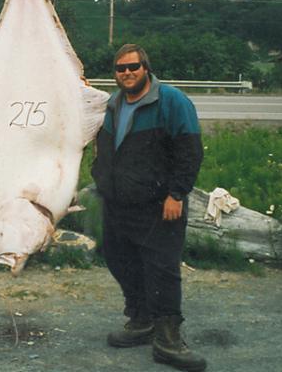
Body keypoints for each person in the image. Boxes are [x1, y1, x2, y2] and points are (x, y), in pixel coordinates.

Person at [91, 44, 206, 372]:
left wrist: (177, 194)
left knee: (162, 270)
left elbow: (190, 151)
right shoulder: (113, 103)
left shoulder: (171, 101)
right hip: (118, 203)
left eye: (133, 67)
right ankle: (141, 320)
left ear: (146, 68)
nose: (126, 73)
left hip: (159, 206)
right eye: (120, 69)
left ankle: (168, 336)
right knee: (119, 260)